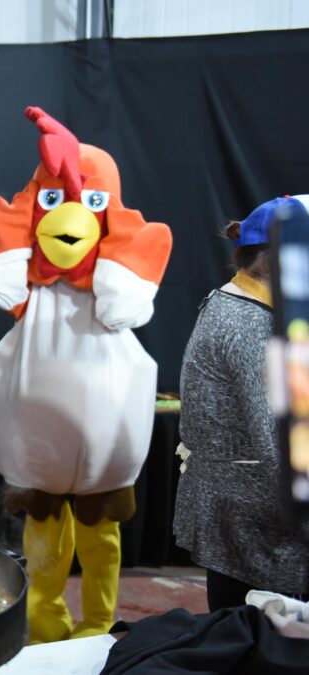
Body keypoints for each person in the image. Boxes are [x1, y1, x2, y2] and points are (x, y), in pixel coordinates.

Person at [0, 108, 171, 642]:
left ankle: (98, 620)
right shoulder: (27, 290)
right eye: (54, 200)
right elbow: (0, 269)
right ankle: (44, 615)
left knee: (100, 536)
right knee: (43, 534)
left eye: (92, 202)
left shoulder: (114, 298)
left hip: (102, 446)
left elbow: (131, 300)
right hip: (41, 445)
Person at [174, 195, 309, 612]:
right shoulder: (249, 324)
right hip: (255, 525)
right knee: (259, 645)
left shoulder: (240, 306)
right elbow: (278, 443)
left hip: (244, 513)